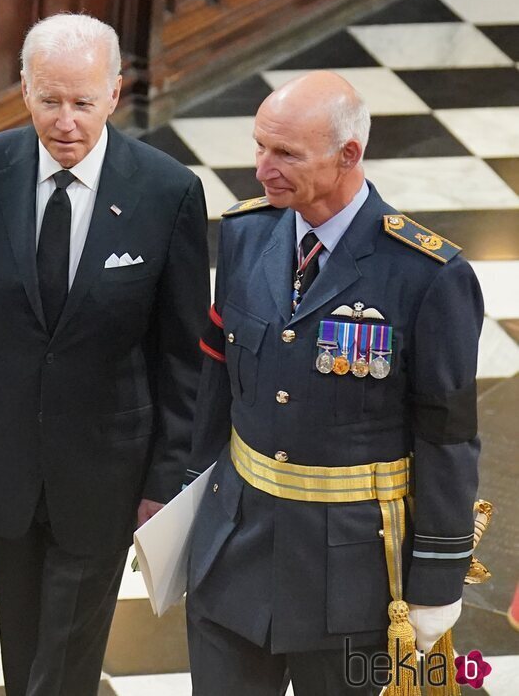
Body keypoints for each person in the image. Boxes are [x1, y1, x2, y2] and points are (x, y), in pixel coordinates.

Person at [0, 13, 210, 696]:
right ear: (24, 89)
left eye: (84, 103)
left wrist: (166, 480)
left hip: (108, 471)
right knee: (24, 639)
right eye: (50, 100)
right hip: (4, 462)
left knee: (63, 656)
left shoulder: (166, 190)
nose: (66, 121)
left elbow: (183, 357)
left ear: (115, 94)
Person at [184, 71, 483, 695]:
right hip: (234, 552)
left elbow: (447, 436)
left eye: (286, 153)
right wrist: (186, 502)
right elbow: (218, 383)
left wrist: (438, 579)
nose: (262, 168)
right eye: (259, 145)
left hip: (353, 580)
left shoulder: (426, 275)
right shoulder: (244, 235)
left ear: (350, 154)